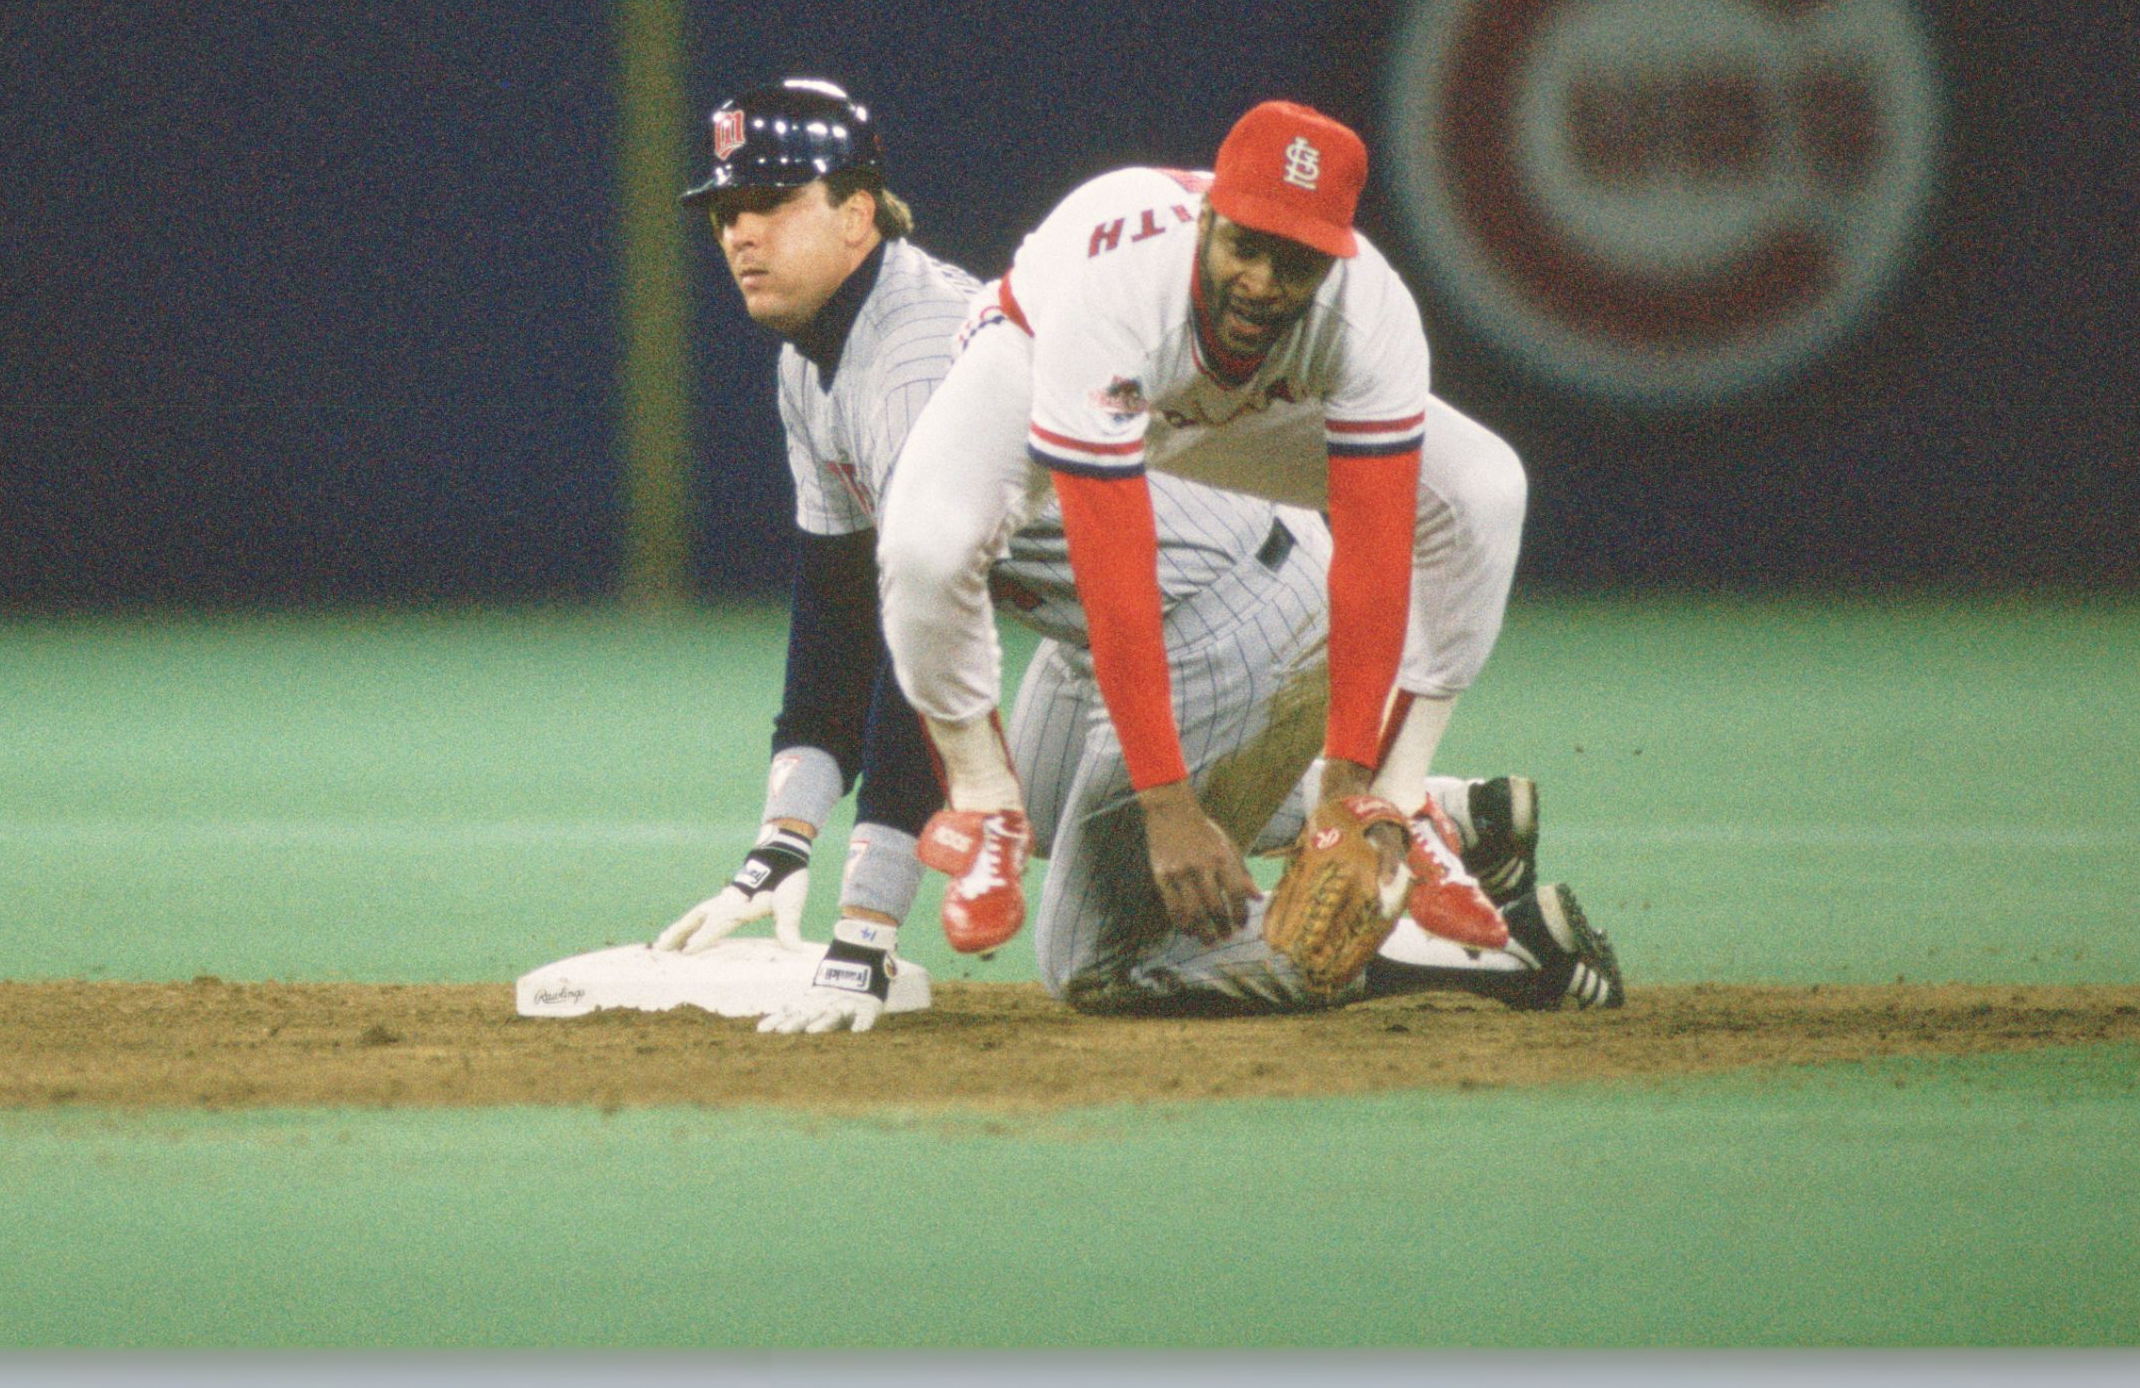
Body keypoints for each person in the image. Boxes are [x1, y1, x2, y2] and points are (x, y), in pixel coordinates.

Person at [658, 80, 1618, 1029]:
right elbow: (842, 613)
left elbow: (945, 644)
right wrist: (782, 839)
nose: (741, 232)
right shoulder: (815, 363)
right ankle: (1464, 819)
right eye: (728, 210)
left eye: (771, 203)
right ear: (1206, 218)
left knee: (1095, 959)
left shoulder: (913, 362)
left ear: (858, 211)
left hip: (1224, 606)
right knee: (1024, 795)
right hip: (1136, 608)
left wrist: (865, 927)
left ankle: (1469, 945)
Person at [881, 98, 1549, 973]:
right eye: (1247, 245)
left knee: (1485, 487)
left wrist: (1352, 790)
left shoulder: (1369, 313)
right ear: (1208, 217)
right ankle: (985, 798)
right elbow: (1117, 574)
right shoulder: (1116, 292)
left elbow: (1374, 559)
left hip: (1242, 405)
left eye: (1298, 259)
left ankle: (1405, 794)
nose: (1265, 281)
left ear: (1337, 255)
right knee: (925, 542)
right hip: (1044, 356)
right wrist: (1168, 806)